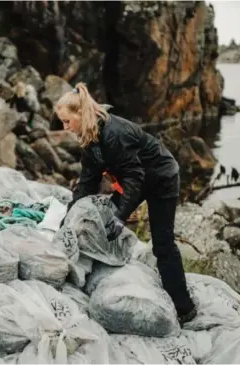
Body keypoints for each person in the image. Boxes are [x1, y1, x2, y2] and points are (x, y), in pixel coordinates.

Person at [55, 82, 197, 326]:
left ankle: (184, 308)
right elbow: (86, 184)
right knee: (102, 220)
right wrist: (67, 220)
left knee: (162, 244)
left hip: (161, 178)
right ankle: (111, 270)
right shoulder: (90, 141)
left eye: (67, 121)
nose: (65, 128)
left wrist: (121, 216)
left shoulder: (114, 134)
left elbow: (135, 177)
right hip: (136, 178)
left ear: (80, 114)